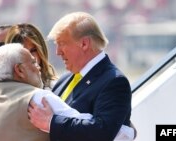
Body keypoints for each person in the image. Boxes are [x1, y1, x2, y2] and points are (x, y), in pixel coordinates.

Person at [28, 11, 136, 141]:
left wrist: (52, 122)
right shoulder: (65, 79)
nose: (57, 52)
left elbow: (102, 131)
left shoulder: (115, 82)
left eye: (62, 43)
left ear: (84, 44)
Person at [0, 43, 92, 141]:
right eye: (33, 63)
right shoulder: (38, 98)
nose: (38, 68)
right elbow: (89, 128)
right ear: (20, 70)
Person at [5, 23, 58, 89]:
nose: (31, 57)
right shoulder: (0, 92)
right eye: (24, 52)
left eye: (33, 50)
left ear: (42, 51)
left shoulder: (56, 89)